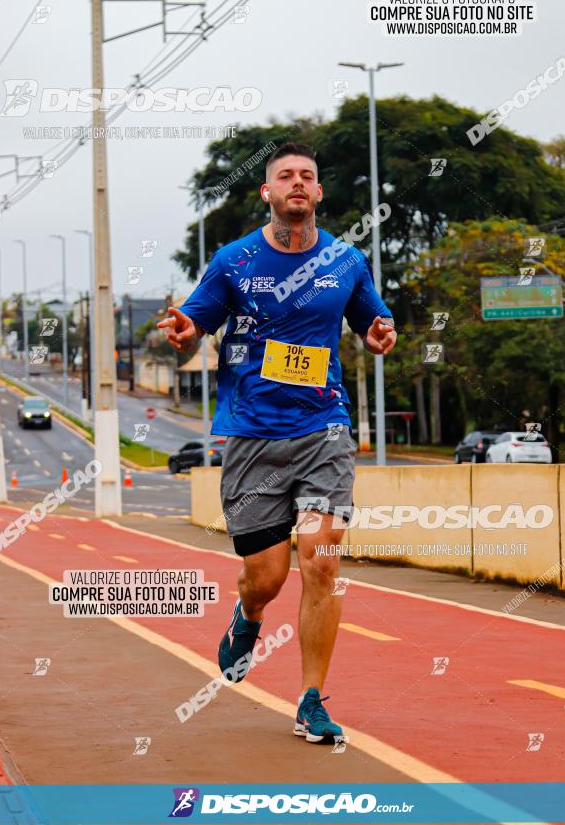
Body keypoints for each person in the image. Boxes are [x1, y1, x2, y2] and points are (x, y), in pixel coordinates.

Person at [158, 142, 397, 743]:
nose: (297, 183)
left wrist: (377, 333)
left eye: (307, 176)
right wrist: (185, 332)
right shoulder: (234, 260)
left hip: (325, 427)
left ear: (318, 193)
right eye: (285, 175)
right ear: (266, 191)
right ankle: (250, 615)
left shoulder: (345, 260)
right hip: (253, 435)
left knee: (322, 555)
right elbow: (194, 327)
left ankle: (312, 698)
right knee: (265, 577)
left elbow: (371, 322)